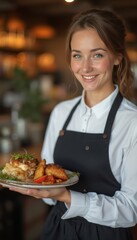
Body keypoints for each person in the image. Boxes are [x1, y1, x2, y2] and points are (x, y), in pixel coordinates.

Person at [7, 8, 137, 240]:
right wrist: (34, 185)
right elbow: (47, 192)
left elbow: (131, 210)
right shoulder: (61, 112)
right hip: (58, 230)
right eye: (77, 55)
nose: (85, 68)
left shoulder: (131, 121)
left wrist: (68, 197)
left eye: (97, 55)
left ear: (117, 56)